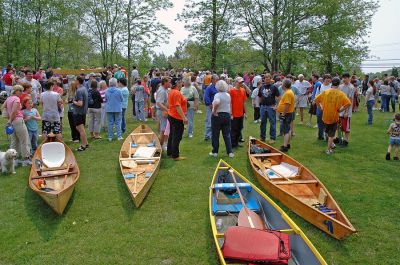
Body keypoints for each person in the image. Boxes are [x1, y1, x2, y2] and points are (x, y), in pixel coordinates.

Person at [314, 77, 351, 155]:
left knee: (327, 131)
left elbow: (316, 100)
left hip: (325, 115)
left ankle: (331, 145)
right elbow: (348, 103)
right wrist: (340, 110)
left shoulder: (325, 92)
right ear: (338, 84)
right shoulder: (341, 94)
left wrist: (320, 107)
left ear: (332, 83)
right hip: (334, 116)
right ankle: (329, 149)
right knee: (331, 134)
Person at [4, 85, 31, 165]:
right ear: (17, 91)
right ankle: (25, 159)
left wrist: (9, 119)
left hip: (12, 122)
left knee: (14, 141)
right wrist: (10, 120)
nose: (22, 93)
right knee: (24, 140)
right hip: (18, 120)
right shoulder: (16, 99)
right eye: (21, 91)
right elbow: (14, 111)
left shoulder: (9, 98)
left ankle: (13, 160)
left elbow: (4, 107)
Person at [209, 80, 233, 158]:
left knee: (215, 134)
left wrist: (214, 111)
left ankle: (215, 152)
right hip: (227, 115)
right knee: (227, 134)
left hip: (218, 115)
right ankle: (230, 152)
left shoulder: (217, 95)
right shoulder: (228, 95)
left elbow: (216, 102)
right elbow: (229, 105)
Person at [167, 77, 188, 161]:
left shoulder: (172, 92)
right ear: (177, 83)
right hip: (176, 117)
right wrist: (184, 118)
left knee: (172, 135)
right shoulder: (176, 93)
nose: (181, 83)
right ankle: (175, 155)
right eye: (180, 82)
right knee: (177, 136)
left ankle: (170, 152)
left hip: (172, 115)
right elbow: (178, 106)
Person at [258, 73, 280, 143]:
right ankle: (262, 137)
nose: (267, 78)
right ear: (264, 79)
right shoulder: (261, 87)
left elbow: (278, 97)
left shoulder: (274, 87)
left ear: (271, 78)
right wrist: (259, 105)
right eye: (265, 77)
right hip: (263, 107)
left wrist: (276, 106)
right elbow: (259, 96)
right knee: (263, 123)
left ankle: (272, 138)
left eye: (268, 77)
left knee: (272, 123)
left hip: (271, 107)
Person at [277, 79, 295, 152]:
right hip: (289, 113)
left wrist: (283, 114)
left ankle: (285, 147)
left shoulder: (288, 93)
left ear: (284, 85)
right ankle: (287, 144)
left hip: (287, 114)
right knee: (288, 129)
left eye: (282, 83)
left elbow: (287, 104)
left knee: (286, 131)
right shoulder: (289, 92)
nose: (281, 84)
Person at [338, 73, 355, 146]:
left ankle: (346, 140)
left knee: (346, 126)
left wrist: (346, 111)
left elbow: (350, 100)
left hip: (346, 110)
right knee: (338, 125)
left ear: (349, 78)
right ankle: (339, 138)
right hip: (340, 109)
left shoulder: (351, 87)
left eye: (346, 78)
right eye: (343, 78)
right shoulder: (340, 86)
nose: (344, 79)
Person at [230, 77, 247, 148]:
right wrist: (231, 114)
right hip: (234, 114)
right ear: (236, 82)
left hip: (241, 114)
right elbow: (230, 103)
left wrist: (245, 112)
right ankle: (232, 144)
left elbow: (243, 102)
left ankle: (236, 143)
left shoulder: (243, 90)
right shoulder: (231, 91)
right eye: (239, 82)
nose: (241, 83)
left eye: (242, 82)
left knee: (239, 129)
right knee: (234, 129)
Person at [73, 76, 89, 151]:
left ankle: (83, 146)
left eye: (75, 80)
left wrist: (73, 101)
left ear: (78, 81)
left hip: (79, 112)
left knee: (80, 129)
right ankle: (86, 143)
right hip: (83, 112)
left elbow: (80, 103)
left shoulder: (79, 90)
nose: (74, 81)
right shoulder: (84, 88)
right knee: (79, 128)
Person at [314, 74, 332, 140]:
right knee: (320, 121)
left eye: (329, 78)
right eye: (326, 78)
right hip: (320, 107)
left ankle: (327, 136)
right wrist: (319, 106)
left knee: (328, 122)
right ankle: (320, 135)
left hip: (329, 108)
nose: (328, 79)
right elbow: (316, 97)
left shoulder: (332, 87)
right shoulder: (320, 86)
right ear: (324, 79)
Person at [156, 77, 171, 150]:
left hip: (163, 111)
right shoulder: (162, 91)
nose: (170, 84)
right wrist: (167, 109)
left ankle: (164, 144)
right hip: (162, 111)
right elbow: (159, 103)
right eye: (169, 82)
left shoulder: (164, 90)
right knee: (164, 129)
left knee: (165, 128)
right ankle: (161, 145)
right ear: (165, 82)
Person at [203, 74, 219, 141]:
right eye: (216, 79)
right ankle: (207, 136)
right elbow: (206, 97)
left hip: (217, 107)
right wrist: (210, 105)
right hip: (210, 106)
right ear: (212, 80)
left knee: (215, 122)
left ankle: (213, 135)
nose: (217, 81)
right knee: (209, 121)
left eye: (218, 79)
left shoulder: (218, 87)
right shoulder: (209, 88)